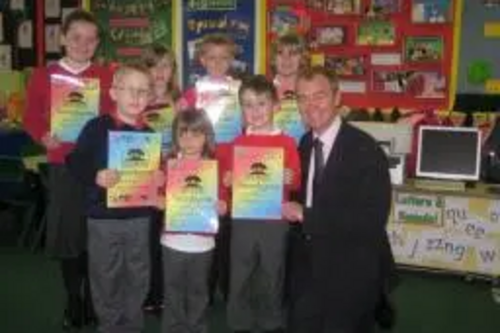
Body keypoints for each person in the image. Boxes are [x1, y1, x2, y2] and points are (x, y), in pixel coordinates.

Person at [282, 66, 395, 333]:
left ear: (337, 97)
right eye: (302, 97)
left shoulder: (365, 150)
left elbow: (372, 220)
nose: (310, 105)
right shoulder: (304, 145)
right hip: (308, 267)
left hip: (351, 270)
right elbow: (304, 197)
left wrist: (306, 216)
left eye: (318, 96)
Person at [22, 9, 113, 329]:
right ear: (62, 38)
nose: (82, 44)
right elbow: (30, 116)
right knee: (69, 238)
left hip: (99, 168)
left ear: (98, 43)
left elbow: (115, 119)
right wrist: (42, 135)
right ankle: (73, 300)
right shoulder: (43, 76)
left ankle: (92, 299)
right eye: (76, 37)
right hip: (63, 166)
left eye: (90, 39)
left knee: (96, 237)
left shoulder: (106, 76)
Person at [66, 64, 160, 333]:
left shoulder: (150, 134)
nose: (136, 96)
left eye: (143, 91)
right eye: (130, 89)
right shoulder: (96, 127)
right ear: (114, 92)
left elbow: (153, 174)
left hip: (139, 217)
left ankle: (132, 324)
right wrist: (95, 175)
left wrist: (159, 179)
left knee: (138, 274)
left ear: (150, 97)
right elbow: (74, 160)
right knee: (105, 275)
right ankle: (109, 326)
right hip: (103, 218)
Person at [226, 75, 301, 333]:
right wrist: (227, 179)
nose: (255, 111)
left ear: (275, 106)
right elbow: (228, 180)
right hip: (243, 219)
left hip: (274, 221)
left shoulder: (287, 142)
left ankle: (271, 322)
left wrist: (290, 178)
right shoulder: (237, 143)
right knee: (240, 271)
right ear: (241, 109)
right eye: (247, 105)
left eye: (261, 104)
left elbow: (296, 181)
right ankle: (239, 322)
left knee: (273, 271)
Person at [180, 33, 241, 304]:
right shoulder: (192, 93)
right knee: (205, 225)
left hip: (231, 163)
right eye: (211, 57)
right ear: (202, 60)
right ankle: (203, 287)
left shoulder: (239, 91)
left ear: (231, 60)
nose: (218, 63)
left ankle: (226, 286)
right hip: (202, 166)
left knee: (227, 229)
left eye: (224, 58)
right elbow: (182, 132)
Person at [160, 108, 228, 333]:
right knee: (173, 290)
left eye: (196, 134)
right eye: (183, 134)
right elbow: (158, 198)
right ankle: (173, 328)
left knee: (199, 291)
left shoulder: (214, 168)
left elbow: (223, 202)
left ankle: (197, 327)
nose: (188, 140)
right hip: (172, 242)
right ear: (175, 137)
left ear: (206, 137)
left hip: (203, 244)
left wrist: (222, 206)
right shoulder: (168, 165)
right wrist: (158, 190)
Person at [141, 44, 181, 313]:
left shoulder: (181, 100)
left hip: (173, 179)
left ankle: (167, 293)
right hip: (144, 179)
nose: (159, 72)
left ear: (173, 71)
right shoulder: (138, 99)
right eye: (153, 65)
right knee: (147, 239)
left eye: (166, 65)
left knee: (170, 237)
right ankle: (149, 293)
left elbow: (191, 139)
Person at [272, 34, 308, 143]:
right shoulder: (263, 89)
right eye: (280, 53)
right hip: (269, 155)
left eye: (293, 53)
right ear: (273, 58)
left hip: (301, 154)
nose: (286, 58)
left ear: (301, 58)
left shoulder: (310, 90)